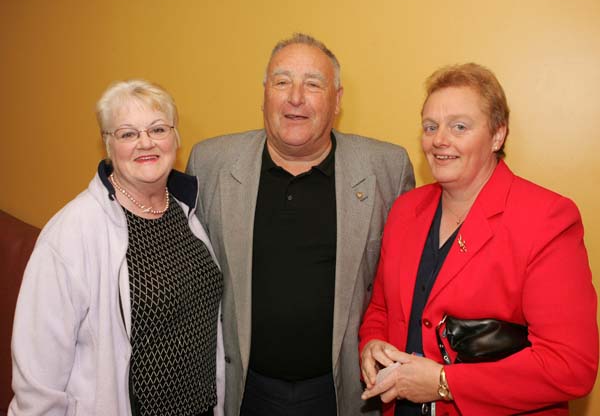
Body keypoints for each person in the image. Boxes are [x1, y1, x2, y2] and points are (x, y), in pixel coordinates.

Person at [186, 33, 415, 416]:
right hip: (245, 389)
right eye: (281, 82)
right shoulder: (209, 164)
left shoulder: (387, 169)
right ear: (264, 94)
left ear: (337, 100)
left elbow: (402, 287)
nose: (295, 97)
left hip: (343, 392)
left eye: (313, 84)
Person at [359, 63, 598, 415]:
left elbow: (570, 366)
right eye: (430, 126)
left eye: (459, 126)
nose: (440, 139)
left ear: (498, 135)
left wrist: (444, 382)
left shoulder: (546, 219)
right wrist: (372, 343)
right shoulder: (405, 211)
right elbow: (380, 307)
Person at [9, 80, 224, 416]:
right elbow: (38, 378)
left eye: (158, 129)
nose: (146, 143)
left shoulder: (187, 213)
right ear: (108, 144)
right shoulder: (71, 233)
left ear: (176, 138)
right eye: (127, 134)